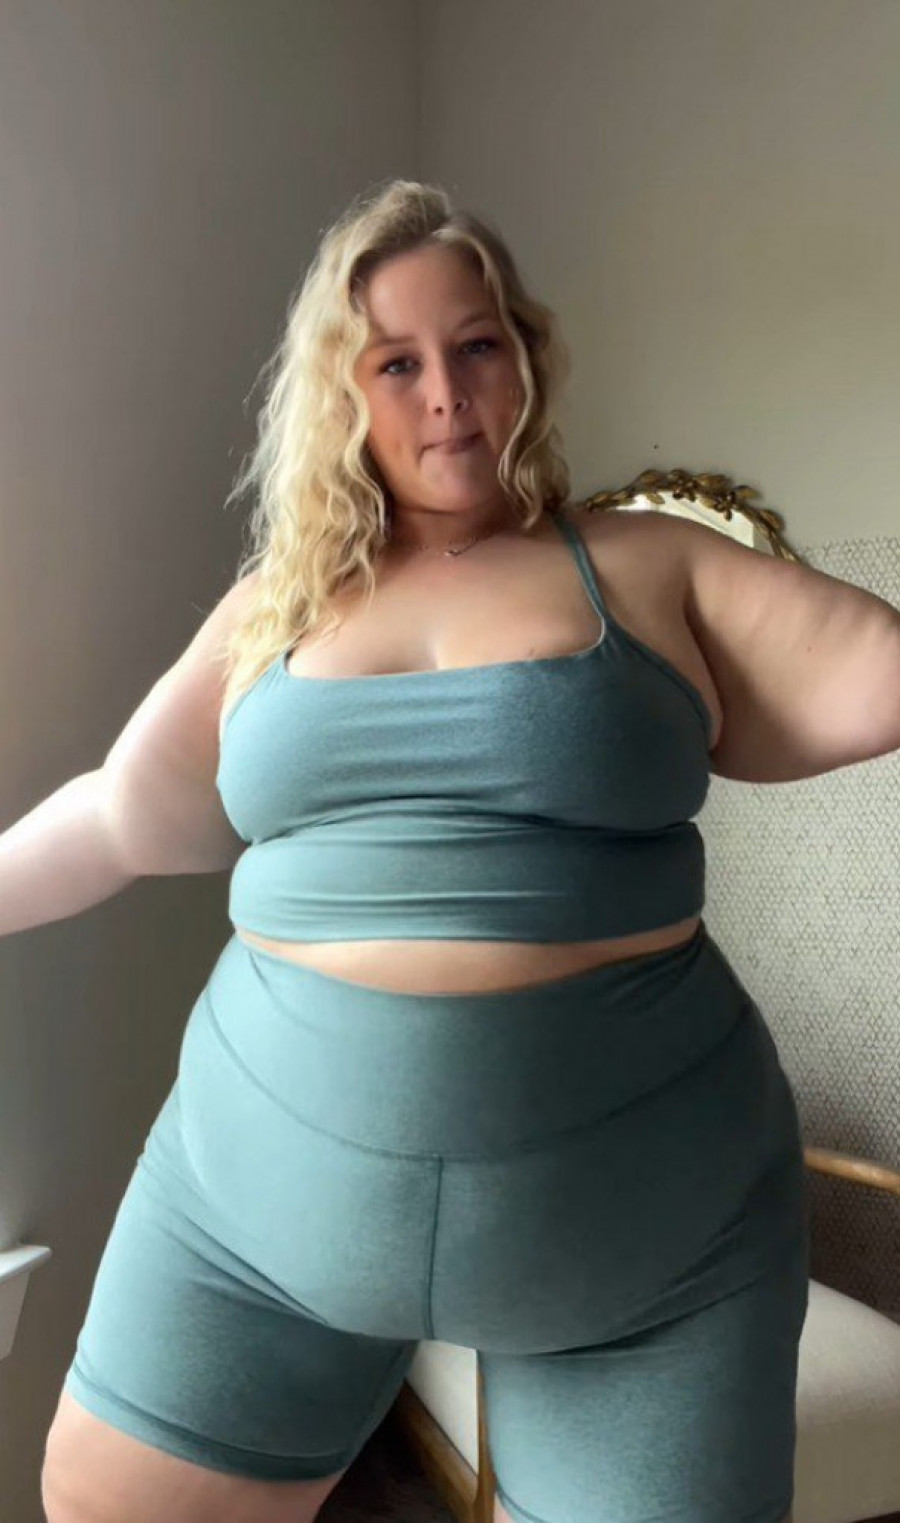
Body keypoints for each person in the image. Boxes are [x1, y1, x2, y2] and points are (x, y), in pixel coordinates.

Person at [26, 174, 893, 1523]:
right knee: (101, 1499)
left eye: (477, 345)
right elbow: (116, 816)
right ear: (343, 391)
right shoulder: (274, 609)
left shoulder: (646, 562)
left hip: (643, 1237)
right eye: (398, 361)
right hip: (254, 1211)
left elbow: (881, 674)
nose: (447, 392)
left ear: (524, 360)